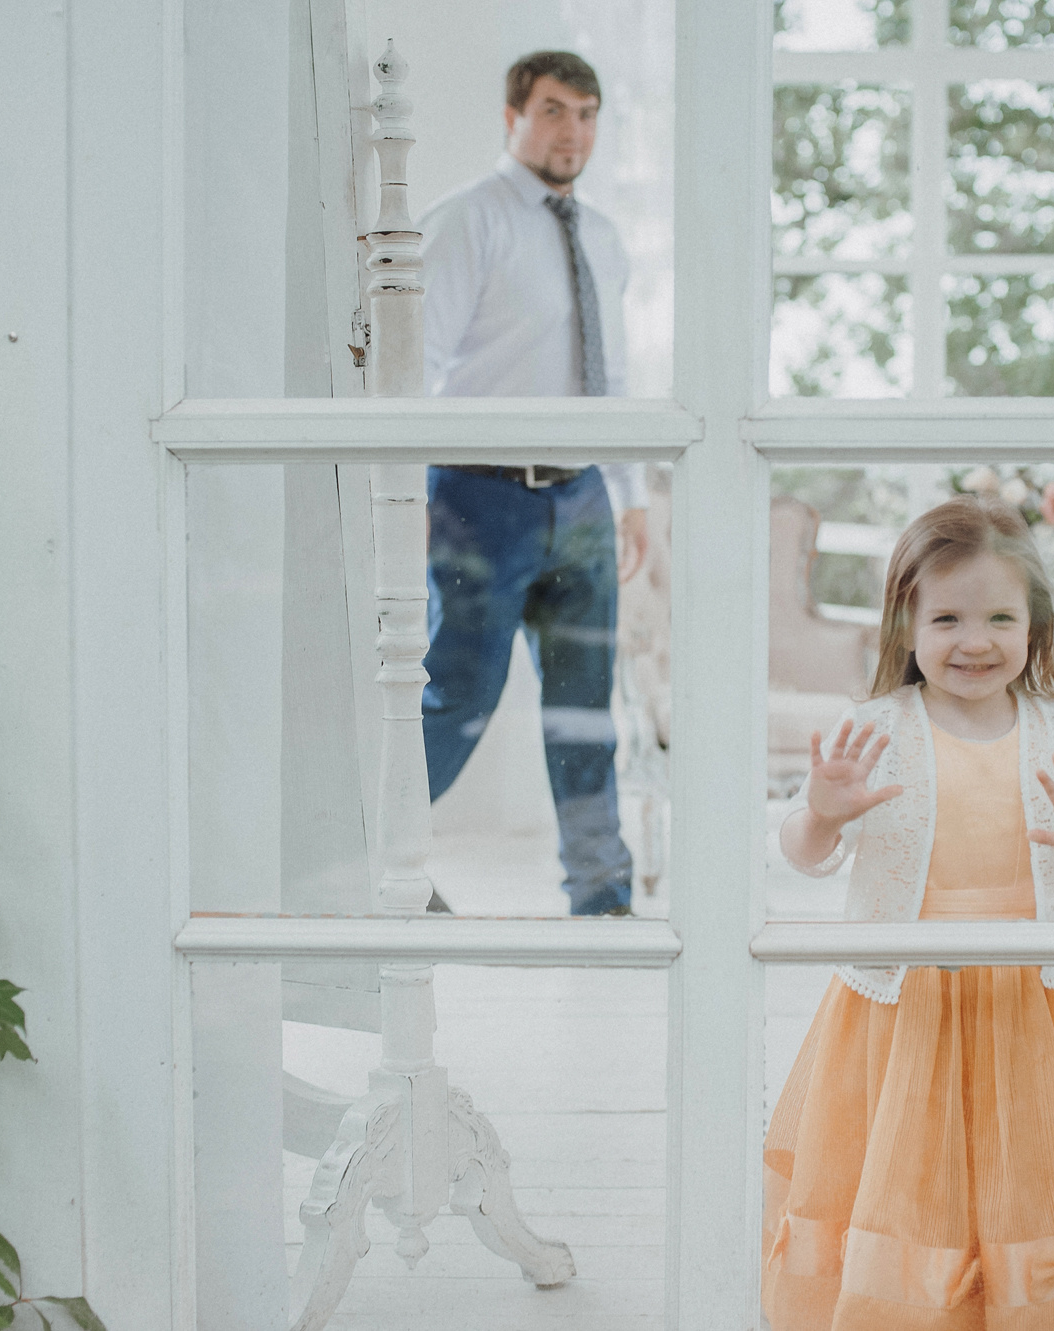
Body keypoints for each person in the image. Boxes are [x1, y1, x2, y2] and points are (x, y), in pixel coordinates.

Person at [762, 496, 1054, 1329]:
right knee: (908, 1172)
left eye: (999, 618)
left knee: (1021, 1176)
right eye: (946, 617)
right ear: (905, 624)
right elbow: (803, 855)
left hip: (1024, 1001)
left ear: (1036, 625)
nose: (974, 640)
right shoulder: (877, 728)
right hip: (902, 1002)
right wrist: (825, 813)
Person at [416, 50, 646, 916]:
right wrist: (406, 497)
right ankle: (374, 859)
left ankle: (602, 890)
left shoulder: (604, 238)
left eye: (586, 114)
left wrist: (635, 500)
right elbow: (418, 370)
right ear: (513, 116)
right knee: (457, 695)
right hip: (478, 498)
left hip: (581, 495)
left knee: (586, 706)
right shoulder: (467, 222)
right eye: (554, 111)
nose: (572, 132)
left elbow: (611, 378)